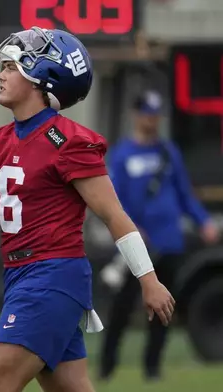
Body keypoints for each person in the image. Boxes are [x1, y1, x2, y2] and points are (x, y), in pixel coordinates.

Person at [0, 27, 175, 392]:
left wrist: (147, 280)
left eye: (11, 67)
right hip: (20, 276)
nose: (0, 75)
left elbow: (114, 215)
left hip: (53, 275)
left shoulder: (70, 141)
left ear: (42, 75)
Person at [99, 90, 219, 381]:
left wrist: (204, 220)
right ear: (136, 115)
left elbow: (183, 193)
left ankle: (152, 368)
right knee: (122, 309)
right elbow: (113, 198)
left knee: (163, 309)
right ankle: (107, 366)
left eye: (155, 115)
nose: (151, 121)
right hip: (136, 245)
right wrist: (128, 228)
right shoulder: (122, 155)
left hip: (168, 243)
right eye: (147, 114)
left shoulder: (167, 153)